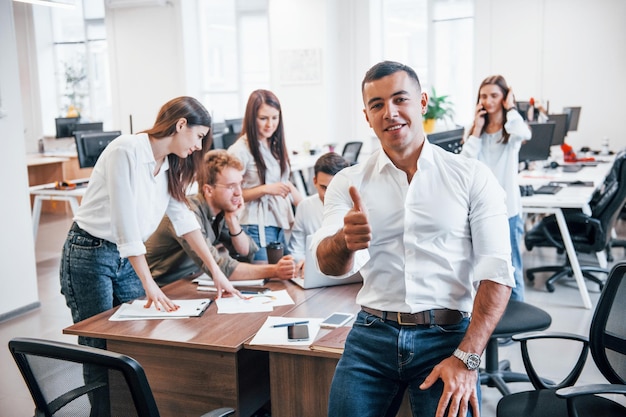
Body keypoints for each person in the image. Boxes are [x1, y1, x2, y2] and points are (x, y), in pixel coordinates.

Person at [312, 61, 514, 417]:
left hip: (447, 337)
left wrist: (467, 360)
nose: (389, 113)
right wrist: (346, 240)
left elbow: (497, 273)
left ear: (421, 102)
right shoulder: (348, 182)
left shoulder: (471, 176)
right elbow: (329, 265)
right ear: (367, 115)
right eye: (377, 105)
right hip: (371, 335)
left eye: (399, 99)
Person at [60, 96, 241, 352]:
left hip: (128, 257)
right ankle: (100, 394)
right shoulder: (126, 150)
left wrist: (216, 272)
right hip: (90, 252)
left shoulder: (171, 163)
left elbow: (185, 220)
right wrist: (149, 282)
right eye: (199, 136)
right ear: (180, 125)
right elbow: (126, 225)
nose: (199, 146)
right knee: (98, 343)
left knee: (138, 335)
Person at [146, 149, 297, 285]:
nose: (239, 192)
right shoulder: (187, 214)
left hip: (187, 282)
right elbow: (220, 267)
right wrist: (275, 271)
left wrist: (232, 220)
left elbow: (247, 252)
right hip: (159, 287)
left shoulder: (219, 212)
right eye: (231, 186)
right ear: (208, 190)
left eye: (240, 184)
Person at [460, 75, 531, 302]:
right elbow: (465, 163)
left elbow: (524, 132)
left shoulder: (511, 131)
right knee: (483, 271)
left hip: (507, 210)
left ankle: (516, 323)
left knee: (511, 268)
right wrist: (477, 130)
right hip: (480, 210)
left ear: (504, 98)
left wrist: (511, 107)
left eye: (494, 95)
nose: (488, 101)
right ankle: (491, 322)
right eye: (484, 96)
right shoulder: (474, 131)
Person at [227, 89, 303, 262]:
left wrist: (307, 207)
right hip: (254, 225)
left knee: (284, 276)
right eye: (263, 118)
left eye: (274, 118)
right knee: (266, 280)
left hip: (278, 223)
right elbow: (231, 196)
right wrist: (265, 189)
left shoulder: (274, 145)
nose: (270, 124)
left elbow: (283, 183)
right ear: (251, 118)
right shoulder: (239, 150)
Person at [288, 152, 349, 275]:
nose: (328, 195)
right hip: (315, 274)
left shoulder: (355, 207)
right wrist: (303, 260)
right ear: (314, 181)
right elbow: (296, 249)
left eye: (334, 188)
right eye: (324, 187)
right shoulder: (304, 207)